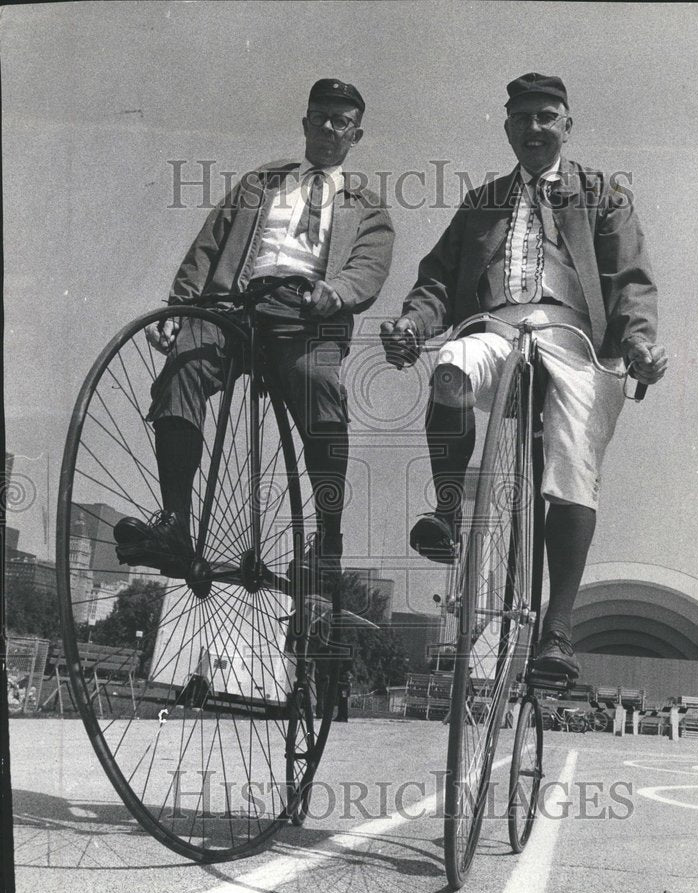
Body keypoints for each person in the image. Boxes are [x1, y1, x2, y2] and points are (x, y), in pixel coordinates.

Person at [380, 73, 667, 681]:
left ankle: (556, 632)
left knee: (570, 469)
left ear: (567, 125)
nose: (534, 128)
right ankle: (450, 512)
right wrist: (413, 321)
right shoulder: (481, 202)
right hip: (494, 326)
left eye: (546, 117)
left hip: (577, 340)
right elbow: (437, 277)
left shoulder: (602, 195)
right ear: (507, 127)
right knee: (451, 369)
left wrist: (639, 343)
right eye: (522, 118)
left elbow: (629, 278)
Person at [114, 79, 394, 594]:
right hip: (234, 307)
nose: (328, 128)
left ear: (356, 135)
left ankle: (327, 536)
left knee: (318, 384)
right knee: (185, 363)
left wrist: (336, 292)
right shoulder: (259, 183)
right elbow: (208, 245)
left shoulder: (368, 207)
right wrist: (181, 306)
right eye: (319, 117)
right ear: (305, 122)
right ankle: (175, 521)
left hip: (304, 316)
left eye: (341, 122)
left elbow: (369, 269)